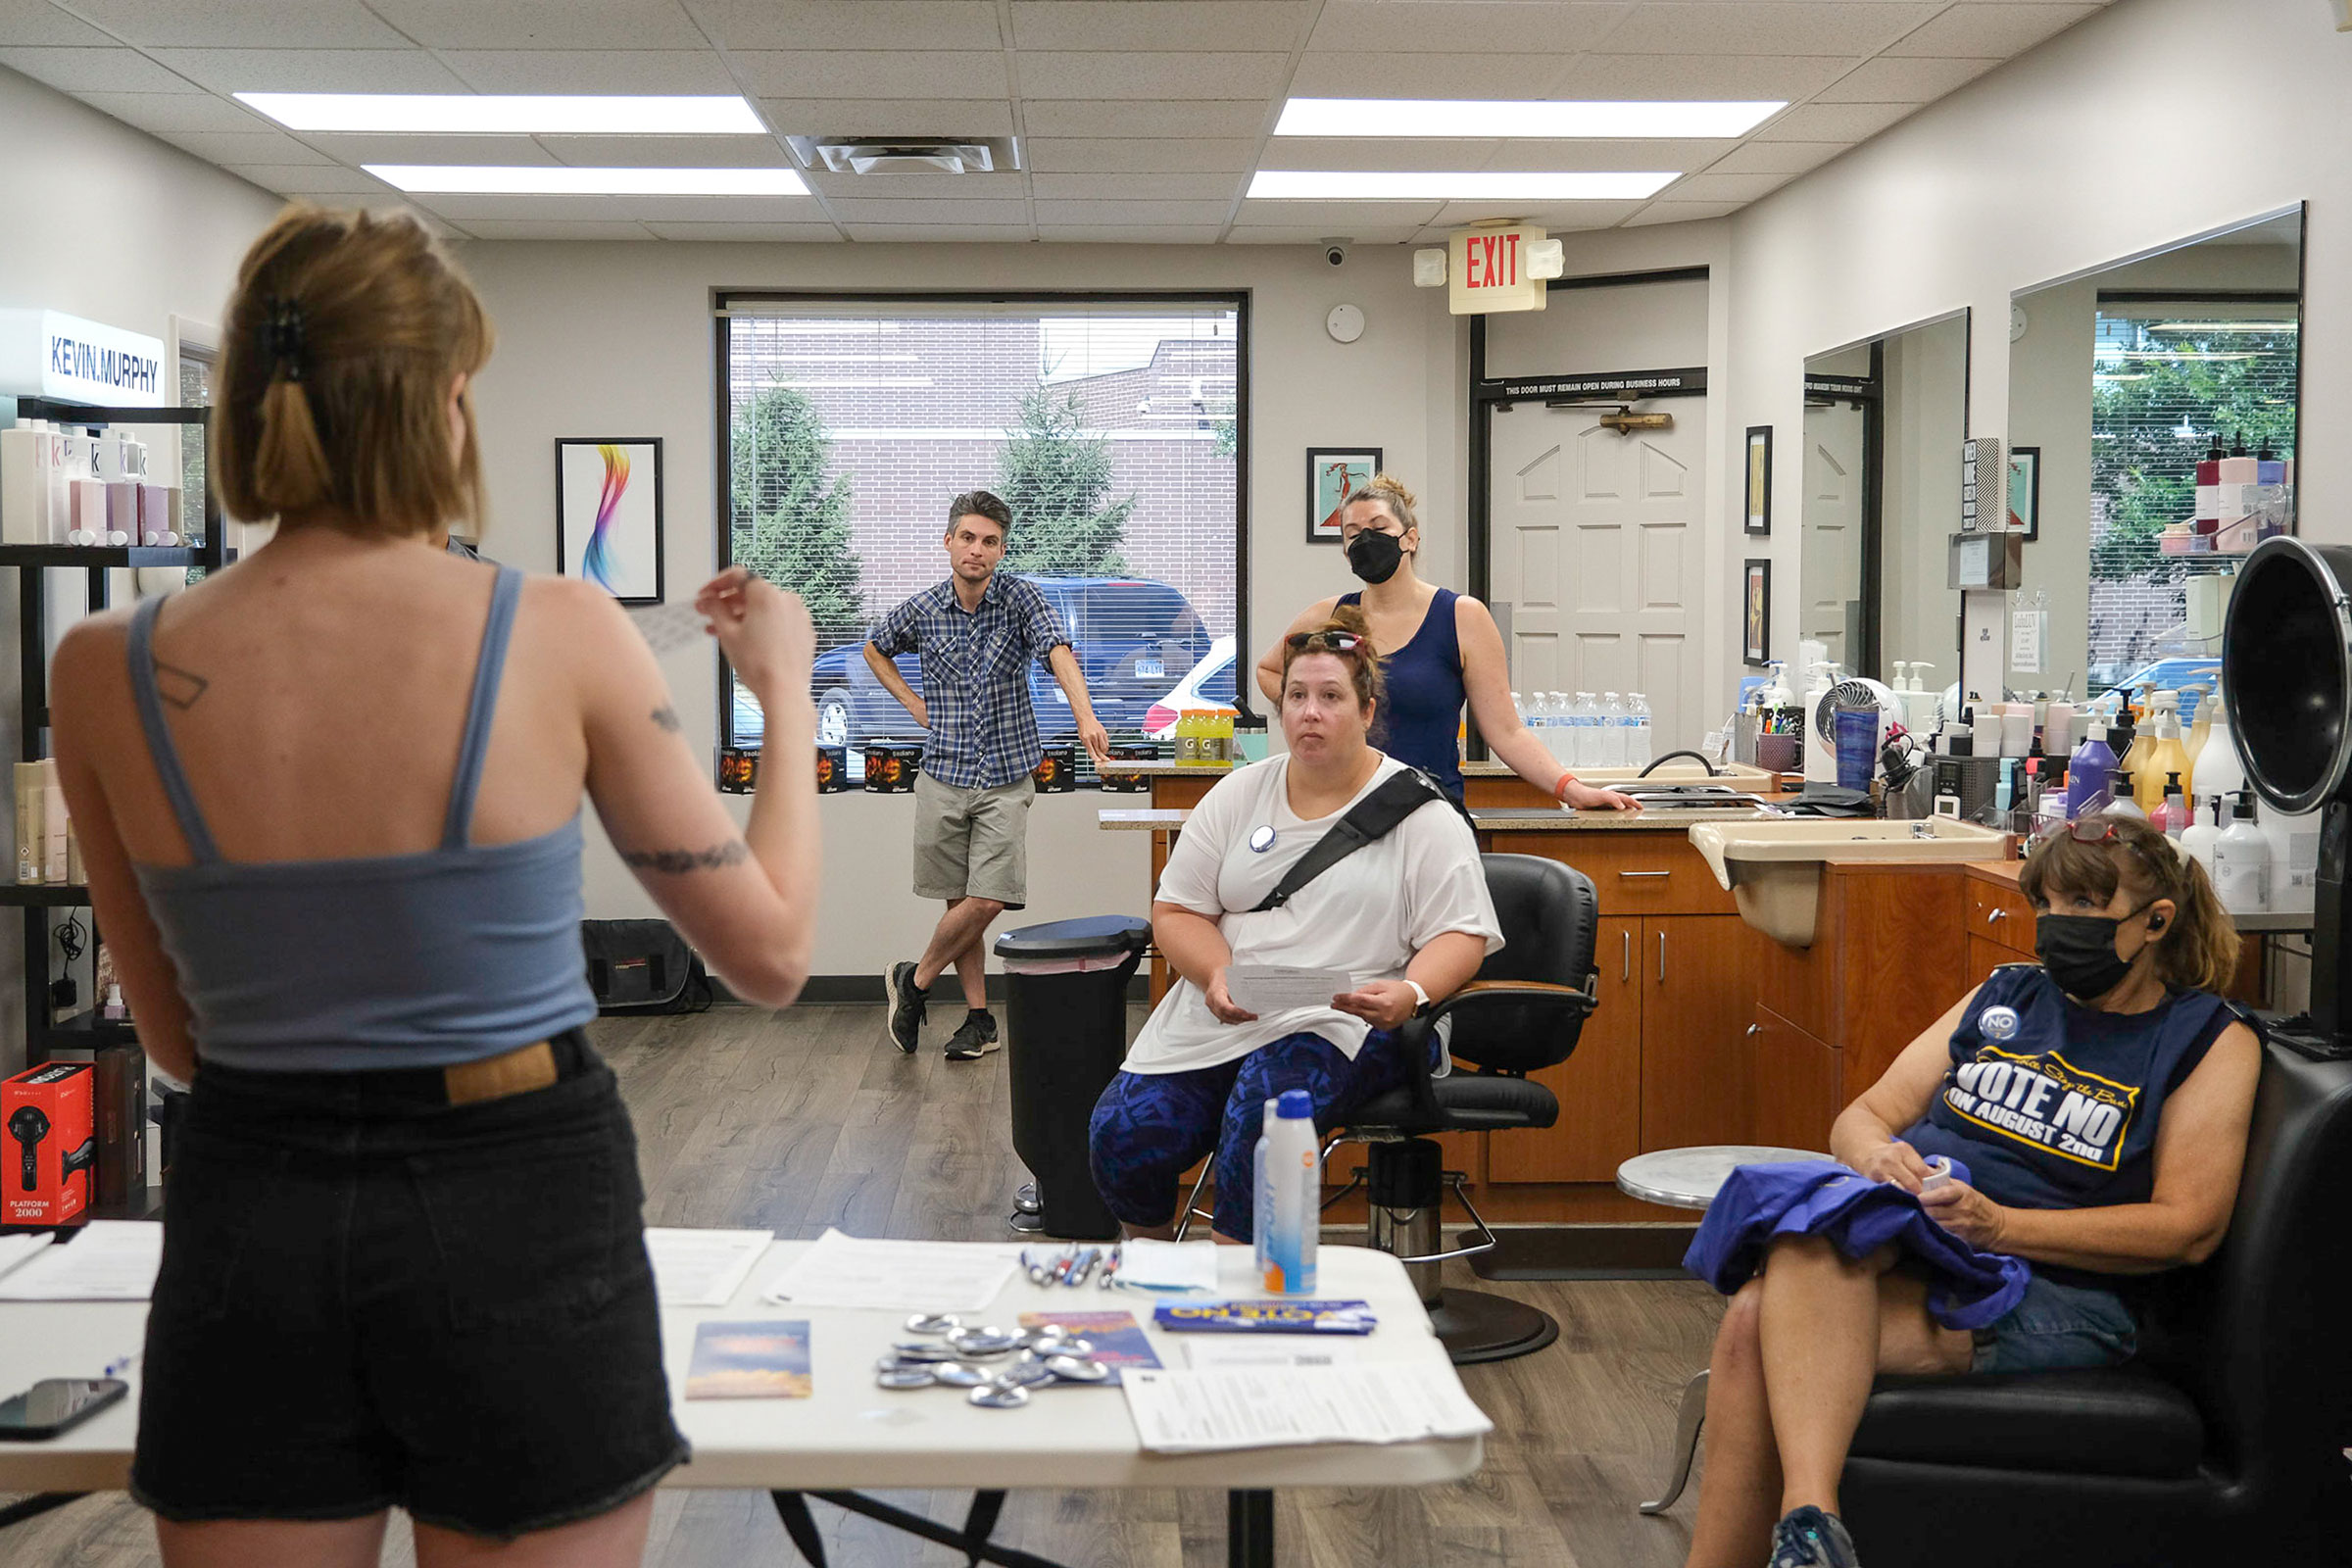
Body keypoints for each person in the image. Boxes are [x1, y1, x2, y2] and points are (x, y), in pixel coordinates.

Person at [48, 205, 821, 1568]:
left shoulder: (105, 665)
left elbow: (174, 1039)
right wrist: (789, 693)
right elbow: (768, 959)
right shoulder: (555, 629)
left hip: (251, 1206)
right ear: (444, 403)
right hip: (512, 1201)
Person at [1686, 813, 2260, 1568]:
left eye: (2086, 908)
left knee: (1756, 1322)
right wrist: (1880, 1159)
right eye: (2048, 906)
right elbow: (1864, 1115)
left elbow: (2188, 1228)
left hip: (2057, 1286)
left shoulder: (2207, 1041)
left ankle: (1804, 1537)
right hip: (1922, 1241)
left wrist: (1999, 1227)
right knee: (1807, 1233)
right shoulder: (2009, 994)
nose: (2059, 927)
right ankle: (1812, 1526)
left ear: (2156, 921)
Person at [1088, 606, 1503, 1243]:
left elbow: (1461, 934)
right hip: (1234, 1002)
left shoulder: (1421, 813)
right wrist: (1216, 973)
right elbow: (1176, 911)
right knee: (1124, 1131)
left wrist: (1412, 993)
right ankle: (1154, 1279)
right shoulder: (1237, 794)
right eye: (1297, 695)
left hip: (1346, 1012)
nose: (1309, 712)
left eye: (1331, 696)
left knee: (1264, 1122)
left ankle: (1243, 1298)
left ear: (1367, 712)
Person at [870, 491, 1113, 1061]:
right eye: (968, 537)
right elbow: (875, 648)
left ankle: (915, 980)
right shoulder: (924, 609)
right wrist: (911, 702)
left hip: (1005, 774)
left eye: (990, 541)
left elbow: (1057, 650)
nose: (977, 550)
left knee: (988, 898)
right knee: (958, 907)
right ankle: (980, 1020)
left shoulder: (1021, 599)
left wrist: (1085, 714)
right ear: (949, 541)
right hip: (943, 774)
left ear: (1001, 550)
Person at [1255, 471, 1638, 813]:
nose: (1365, 540)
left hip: (1430, 812)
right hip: (1341, 812)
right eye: (1353, 534)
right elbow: (1269, 670)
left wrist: (1571, 790)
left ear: (1410, 538)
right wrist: (1317, 708)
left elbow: (1507, 731)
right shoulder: (1329, 616)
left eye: (1378, 527)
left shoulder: (1462, 617)